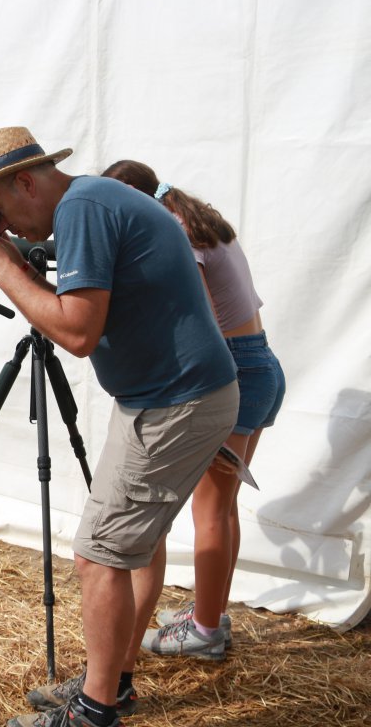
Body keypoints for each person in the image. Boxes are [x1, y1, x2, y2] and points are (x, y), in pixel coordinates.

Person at [0, 127, 239, 727]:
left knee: (99, 556)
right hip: (162, 397)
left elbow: (78, 332)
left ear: (26, 182)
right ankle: (115, 682)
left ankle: (95, 710)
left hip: (173, 401)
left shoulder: (82, 208)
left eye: (3, 209)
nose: (10, 227)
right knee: (120, 549)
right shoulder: (93, 202)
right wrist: (15, 261)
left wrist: (2, 269)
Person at [101, 159, 286, 660]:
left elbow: (199, 318)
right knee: (222, 508)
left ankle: (204, 632)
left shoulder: (178, 233)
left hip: (236, 371)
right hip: (260, 360)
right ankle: (211, 613)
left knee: (209, 511)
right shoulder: (198, 218)